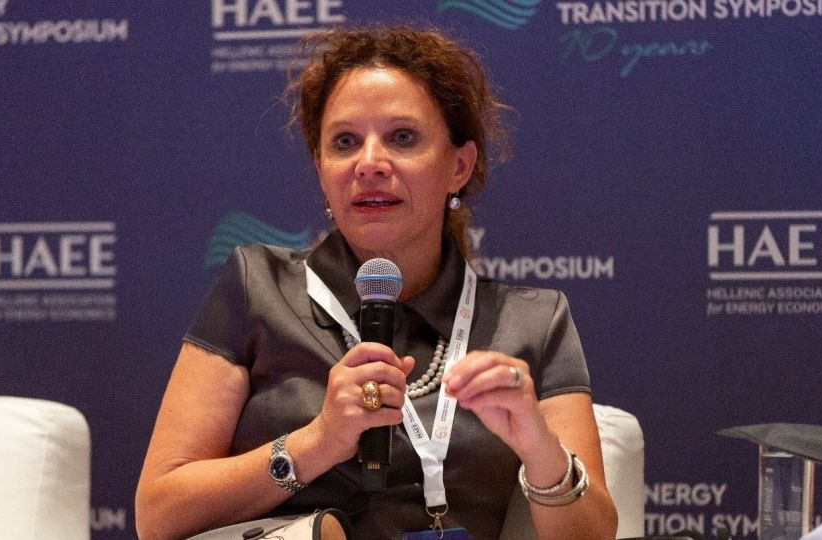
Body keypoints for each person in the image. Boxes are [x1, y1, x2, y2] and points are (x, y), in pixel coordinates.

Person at [135, 25, 618, 540]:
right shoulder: (257, 287)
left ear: (459, 166)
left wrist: (540, 449)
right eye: (345, 142)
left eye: (402, 138)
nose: (369, 164)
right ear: (322, 168)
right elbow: (159, 515)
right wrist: (318, 442)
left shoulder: (532, 322)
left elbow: (594, 535)